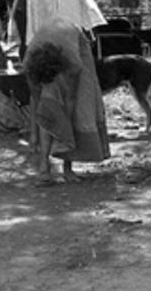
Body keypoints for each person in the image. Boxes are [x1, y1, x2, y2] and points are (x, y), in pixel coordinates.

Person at [21, 19, 111, 185]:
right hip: (49, 47)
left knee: (79, 110)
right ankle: (43, 167)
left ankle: (67, 168)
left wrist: (65, 127)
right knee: (47, 108)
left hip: (74, 44)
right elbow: (35, 99)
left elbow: (71, 99)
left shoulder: (73, 63)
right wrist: (33, 134)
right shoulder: (28, 63)